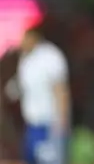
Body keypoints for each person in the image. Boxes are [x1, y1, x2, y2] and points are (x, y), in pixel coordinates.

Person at [15, 25, 70, 164]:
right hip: (32, 124)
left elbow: (61, 90)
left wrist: (61, 124)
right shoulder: (25, 59)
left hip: (50, 124)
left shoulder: (51, 57)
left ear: (33, 36)